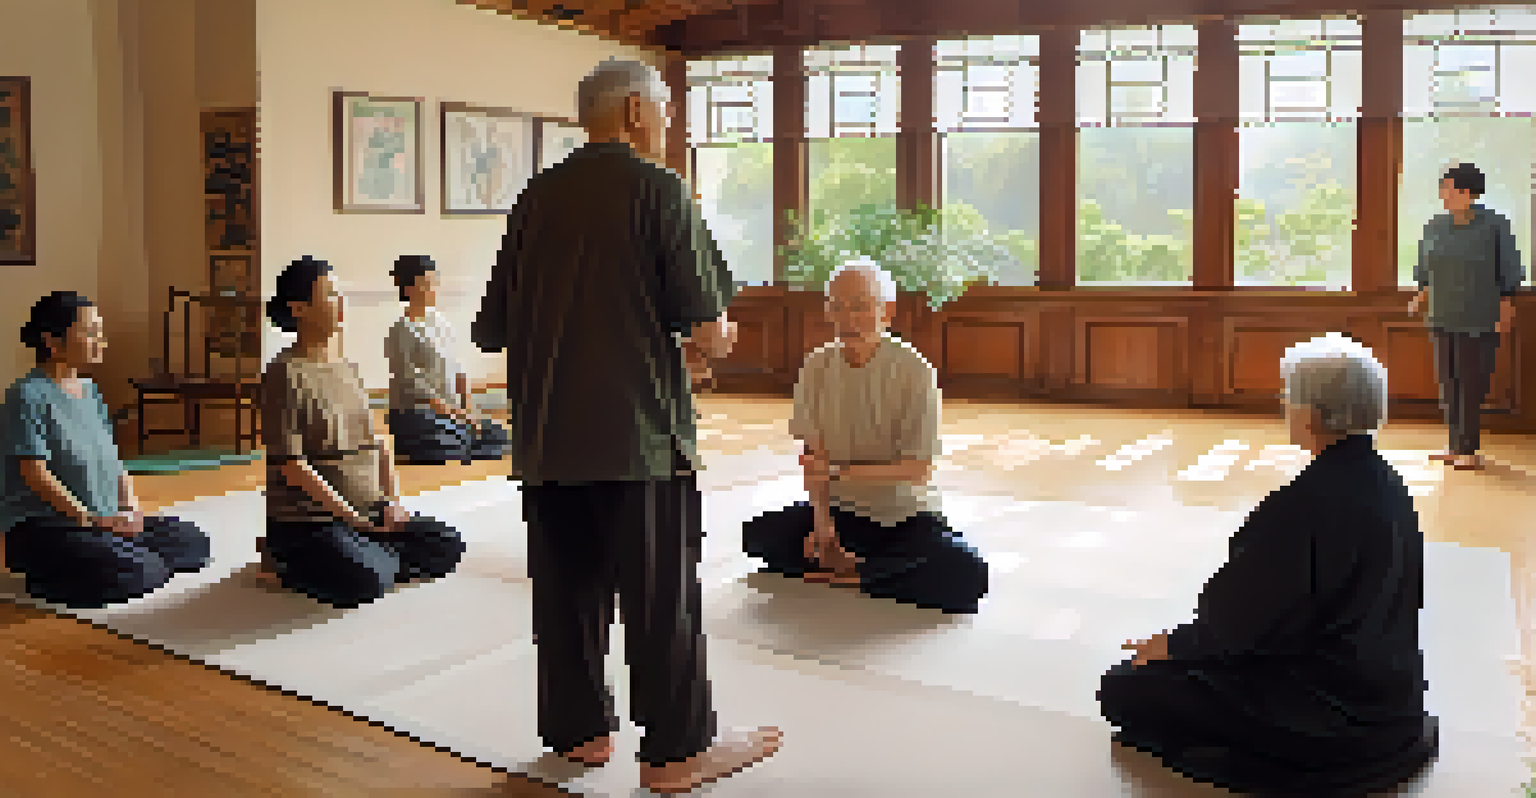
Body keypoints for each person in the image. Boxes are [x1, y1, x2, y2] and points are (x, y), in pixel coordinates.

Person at [471, 58, 780, 794]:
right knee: (660, 598)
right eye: (666, 108)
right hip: (639, 435)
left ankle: (578, 733)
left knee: (566, 593)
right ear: (639, 110)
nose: (669, 122)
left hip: (548, 436)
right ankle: (677, 751)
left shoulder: (536, 197)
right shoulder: (659, 189)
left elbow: (491, 330)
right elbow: (706, 328)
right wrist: (711, 342)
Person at [1099, 333, 1437, 796]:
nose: (1283, 406)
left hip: (1331, 716)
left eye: (1288, 397)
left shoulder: (1303, 504)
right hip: (1393, 703)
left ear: (1313, 415)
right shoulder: (1388, 483)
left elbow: (1236, 626)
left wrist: (1172, 647)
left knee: (1124, 687)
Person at [741, 258, 988, 615]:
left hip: (905, 517)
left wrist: (840, 472)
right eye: (837, 307)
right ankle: (868, 572)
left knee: (966, 573)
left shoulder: (915, 371)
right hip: (843, 515)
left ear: (886, 312)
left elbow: (918, 470)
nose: (848, 318)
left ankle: (852, 575)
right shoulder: (816, 367)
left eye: (860, 306)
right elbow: (814, 461)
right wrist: (823, 528)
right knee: (758, 535)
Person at [261, 256, 465, 609]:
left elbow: (379, 446)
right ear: (299, 308)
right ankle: (285, 559)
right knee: (366, 580)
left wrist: (391, 504)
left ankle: (368, 549)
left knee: (447, 544)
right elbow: (291, 465)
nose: (342, 303)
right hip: (314, 520)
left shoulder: (347, 369)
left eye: (341, 293)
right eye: (330, 294)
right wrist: (350, 517)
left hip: (366, 513)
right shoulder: (284, 375)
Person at [0, 291, 211, 609]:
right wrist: (89, 520)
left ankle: (122, 552)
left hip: (103, 522)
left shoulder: (91, 392)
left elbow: (114, 462)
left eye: (100, 332)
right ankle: (45, 577)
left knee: (193, 542)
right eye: (90, 333)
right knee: (140, 570)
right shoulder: (26, 396)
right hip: (46, 525)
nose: (102, 341)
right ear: (52, 342)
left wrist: (130, 509)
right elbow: (35, 474)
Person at [1409, 162, 1525, 470]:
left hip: (1479, 316)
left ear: (1467, 191)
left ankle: (1469, 450)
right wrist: (1420, 295)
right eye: (1442, 188)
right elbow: (1425, 268)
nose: (1442, 194)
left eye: (1447, 188)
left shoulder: (1495, 224)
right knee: (1448, 383)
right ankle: (1454, 444)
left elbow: (1509, 268)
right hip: (1441, 315)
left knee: (1471, 384)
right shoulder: (1435, 225)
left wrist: (1507, 306)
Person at [385, 255, 509, 465]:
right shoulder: (401, 329)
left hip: (451, 416)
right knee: (450, 438)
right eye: (426, 284)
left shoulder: (441, 323)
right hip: (419, 414)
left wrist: (468, 410)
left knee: (500, 436)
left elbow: (458, 369)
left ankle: (460, 442)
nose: (432, 289)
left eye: (433, 282)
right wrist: (458, 415)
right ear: (408, 289)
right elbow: (414, 387)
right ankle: (456, 442)